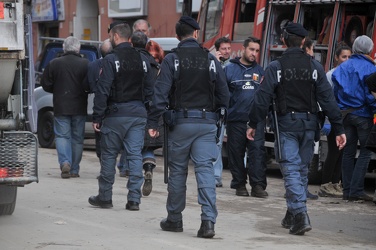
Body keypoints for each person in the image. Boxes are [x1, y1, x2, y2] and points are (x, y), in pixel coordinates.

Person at [246, 22, 346, 235]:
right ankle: (292, 214)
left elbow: (262, 99)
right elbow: (328, 100)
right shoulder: (315, 67)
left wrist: (253, 124)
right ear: (303, 42)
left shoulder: (276, 67)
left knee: (291, 169)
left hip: (287, 125)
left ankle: (300, 214)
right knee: (300, 170)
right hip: (310, 126)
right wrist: (338, 128)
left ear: (283, 41)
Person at [147, 16, 229, 238]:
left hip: (180, 124)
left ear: (177, 36)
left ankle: (174, 219)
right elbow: (224, 94)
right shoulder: (211, 60)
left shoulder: (172, 59)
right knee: (205, 172)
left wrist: (154, 122)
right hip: (207, 124)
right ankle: (208, 222)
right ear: (195, 34)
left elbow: (160, 94)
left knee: (178, 172)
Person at [88, 21, 154, 210]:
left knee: (109, 155)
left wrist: (97, 117)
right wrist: (149, 115)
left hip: (116, 114)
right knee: (134, 155)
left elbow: (103, 90)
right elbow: (150, 89)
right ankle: (134, 199)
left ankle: (105, 197)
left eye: (110, 36)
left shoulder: (111, 59)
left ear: (116, 37)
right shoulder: (143, 59)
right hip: (138, 114)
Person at [116, 19, 166, 179]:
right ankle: (147, 164)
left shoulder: (125, 59)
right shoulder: (154, 65)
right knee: (146, 140)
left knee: (131, 140)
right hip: (150, 107)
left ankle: (128, 169)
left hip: (132, 106)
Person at [332, 35, 376, 202]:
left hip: (345, 115)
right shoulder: (371, 68)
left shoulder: (343, 67)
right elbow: (370, 94)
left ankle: (347, 190)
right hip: (363, 114)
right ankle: (356, 191)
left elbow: (335, 92)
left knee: (348, 152)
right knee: (366, 152)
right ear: (370, 49)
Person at [41, 36, 90, 179]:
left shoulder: (54, 63)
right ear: (78, 48)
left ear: (64, 47)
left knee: (62, 136)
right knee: (77, 138)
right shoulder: (86, 64)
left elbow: (45, 84)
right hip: (80, 106)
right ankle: (74, 169)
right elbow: (90, 85)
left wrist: (57, 90)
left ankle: (65, 162)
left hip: (61, 105)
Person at [225, 37, 268, 198]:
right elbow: (223, 95)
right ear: (243, 48)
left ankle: (257, 186)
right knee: (236, 153)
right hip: (236, 119)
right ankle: (239, 184)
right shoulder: (230, 69)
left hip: (256, 121)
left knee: (257, 153)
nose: (254, 53)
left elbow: (265, 96)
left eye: (257, 50)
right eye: (251, 49)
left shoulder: (260, 71)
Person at [131, 30, 163, 196]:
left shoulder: (130, 61)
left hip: (134, 109)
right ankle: (148, 168)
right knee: (148, 145)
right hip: (153, 111)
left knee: (134, 147)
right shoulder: (157, 67)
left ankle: (134, 178)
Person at [319, 42, 352, 198]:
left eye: (349, 57)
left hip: (345, 118)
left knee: (341, 152)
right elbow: (325, 99)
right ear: (337, 58)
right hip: (333, 118)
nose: (347, 59)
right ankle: (325, 185)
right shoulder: (331, 75)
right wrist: (326, 119)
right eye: (344, 56)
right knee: (333, 151)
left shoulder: (350, 74)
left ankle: (335, 183)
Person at [87, 39, 113, 160]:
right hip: (114, 107)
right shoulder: (115, 63)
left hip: (99, 105)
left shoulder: (93, 65)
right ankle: (124, 167)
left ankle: (104, 164)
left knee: (100, 137)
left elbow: (88, 85)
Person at [302, 37, 319, 200]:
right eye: (312, 49)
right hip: (307, 121)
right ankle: (300, 191)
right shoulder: (315, 68)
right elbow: (325, 97)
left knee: (295, 161)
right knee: (303, 159)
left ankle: (298, 190)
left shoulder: (280, 65)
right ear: (307, 49)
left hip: (290, 121)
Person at [213, 36, 232, 188]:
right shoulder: (213, 64)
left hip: (234, 110)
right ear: (217, 50)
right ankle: (216, 177)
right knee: (217, 143)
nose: (226, 51)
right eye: (223, 49)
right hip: (219, 111)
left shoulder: (233, 66)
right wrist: (216, 63)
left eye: (228, 48)